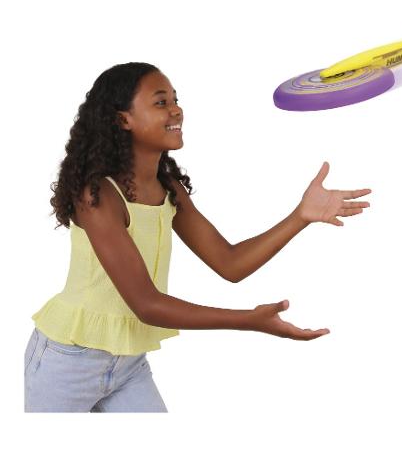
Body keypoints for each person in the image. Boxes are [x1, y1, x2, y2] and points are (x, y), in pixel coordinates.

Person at [24, 61, 372, 412]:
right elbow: (146, 305)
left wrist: (300, 216)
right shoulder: (98, 195)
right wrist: (245, 320)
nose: (176, 110)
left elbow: (230, 263)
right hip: (67, 361)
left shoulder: (168, 188)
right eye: (161, 102)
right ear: (123, 119)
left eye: (176, 100)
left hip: (128, 363)